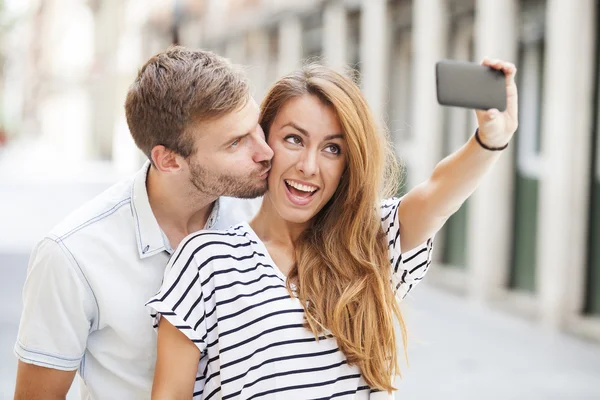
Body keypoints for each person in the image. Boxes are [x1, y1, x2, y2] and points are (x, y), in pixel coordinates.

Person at [147, 58, 518, 398]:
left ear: (347, 165)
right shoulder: (206, 261)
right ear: (264, 141)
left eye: (332, 149)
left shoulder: (367, 246)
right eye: (294, 139)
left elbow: (438, 194)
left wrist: (490, 140)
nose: (309, 166)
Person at [13, 46, 273, 399]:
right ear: (168, 160)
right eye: (236, 143)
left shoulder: (266, 220)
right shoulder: (71, 256)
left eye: (256, 126)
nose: (266, 152)